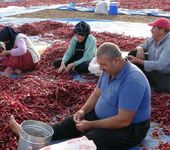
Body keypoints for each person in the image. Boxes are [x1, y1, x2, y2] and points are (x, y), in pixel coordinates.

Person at [10, 42, 151, 150]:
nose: (100, 68)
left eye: (103, 65)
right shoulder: (109, 71)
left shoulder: (133, 81)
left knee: (88, 141)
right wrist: (83, 111)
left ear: (116, 60)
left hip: (129, 129)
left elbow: (123, 120)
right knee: (71, 123)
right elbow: (96, 94)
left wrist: (90, 125)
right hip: (102, 117)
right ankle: (31, 137)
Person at [128, 17, 170, 92]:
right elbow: (142, 46)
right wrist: (140, 48)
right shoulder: (154, 38)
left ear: (162, 30)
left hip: (165, 73)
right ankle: (144, 78)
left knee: (162, 88)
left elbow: (161, 65)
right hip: (152, 68)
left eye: (154, 27)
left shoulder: (168, 44)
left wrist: (138, 61)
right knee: (133, 53)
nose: (151, 30)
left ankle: (149, 81)